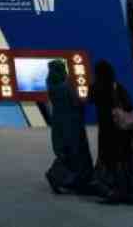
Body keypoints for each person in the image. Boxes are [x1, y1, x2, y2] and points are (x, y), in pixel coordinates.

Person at [91, 59, 133, 205]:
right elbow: (129, 105)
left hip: (107, 129)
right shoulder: (117, 86)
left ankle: (115, 192)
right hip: (123, 129)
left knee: (110, 159)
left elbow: (89, 101)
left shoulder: (96, 87)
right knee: (127, 158)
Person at [44, 60, 95, 195]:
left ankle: (59, 177)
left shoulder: (51, 84)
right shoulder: (66, 86)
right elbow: (76, 103)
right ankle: (69, 179)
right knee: (76, 151)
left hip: (58, 123)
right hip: (72, 123)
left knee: (64, 151)